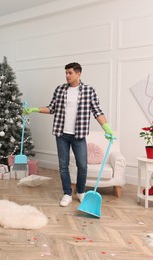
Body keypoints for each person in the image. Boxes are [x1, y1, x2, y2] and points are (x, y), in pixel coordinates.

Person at [24, 62, 113, 207]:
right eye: (66, 73)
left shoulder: (88, 90)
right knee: (63, 166)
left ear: (78, 74)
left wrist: (107, 128)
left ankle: (81, 192)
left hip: (78, 135)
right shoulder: (60, 90)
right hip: (61, 134)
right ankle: (67, 193)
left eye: (70, 73)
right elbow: (51, 108)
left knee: (82, 166)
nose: (67, 76)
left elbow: (97, 111)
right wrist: (34, 109)